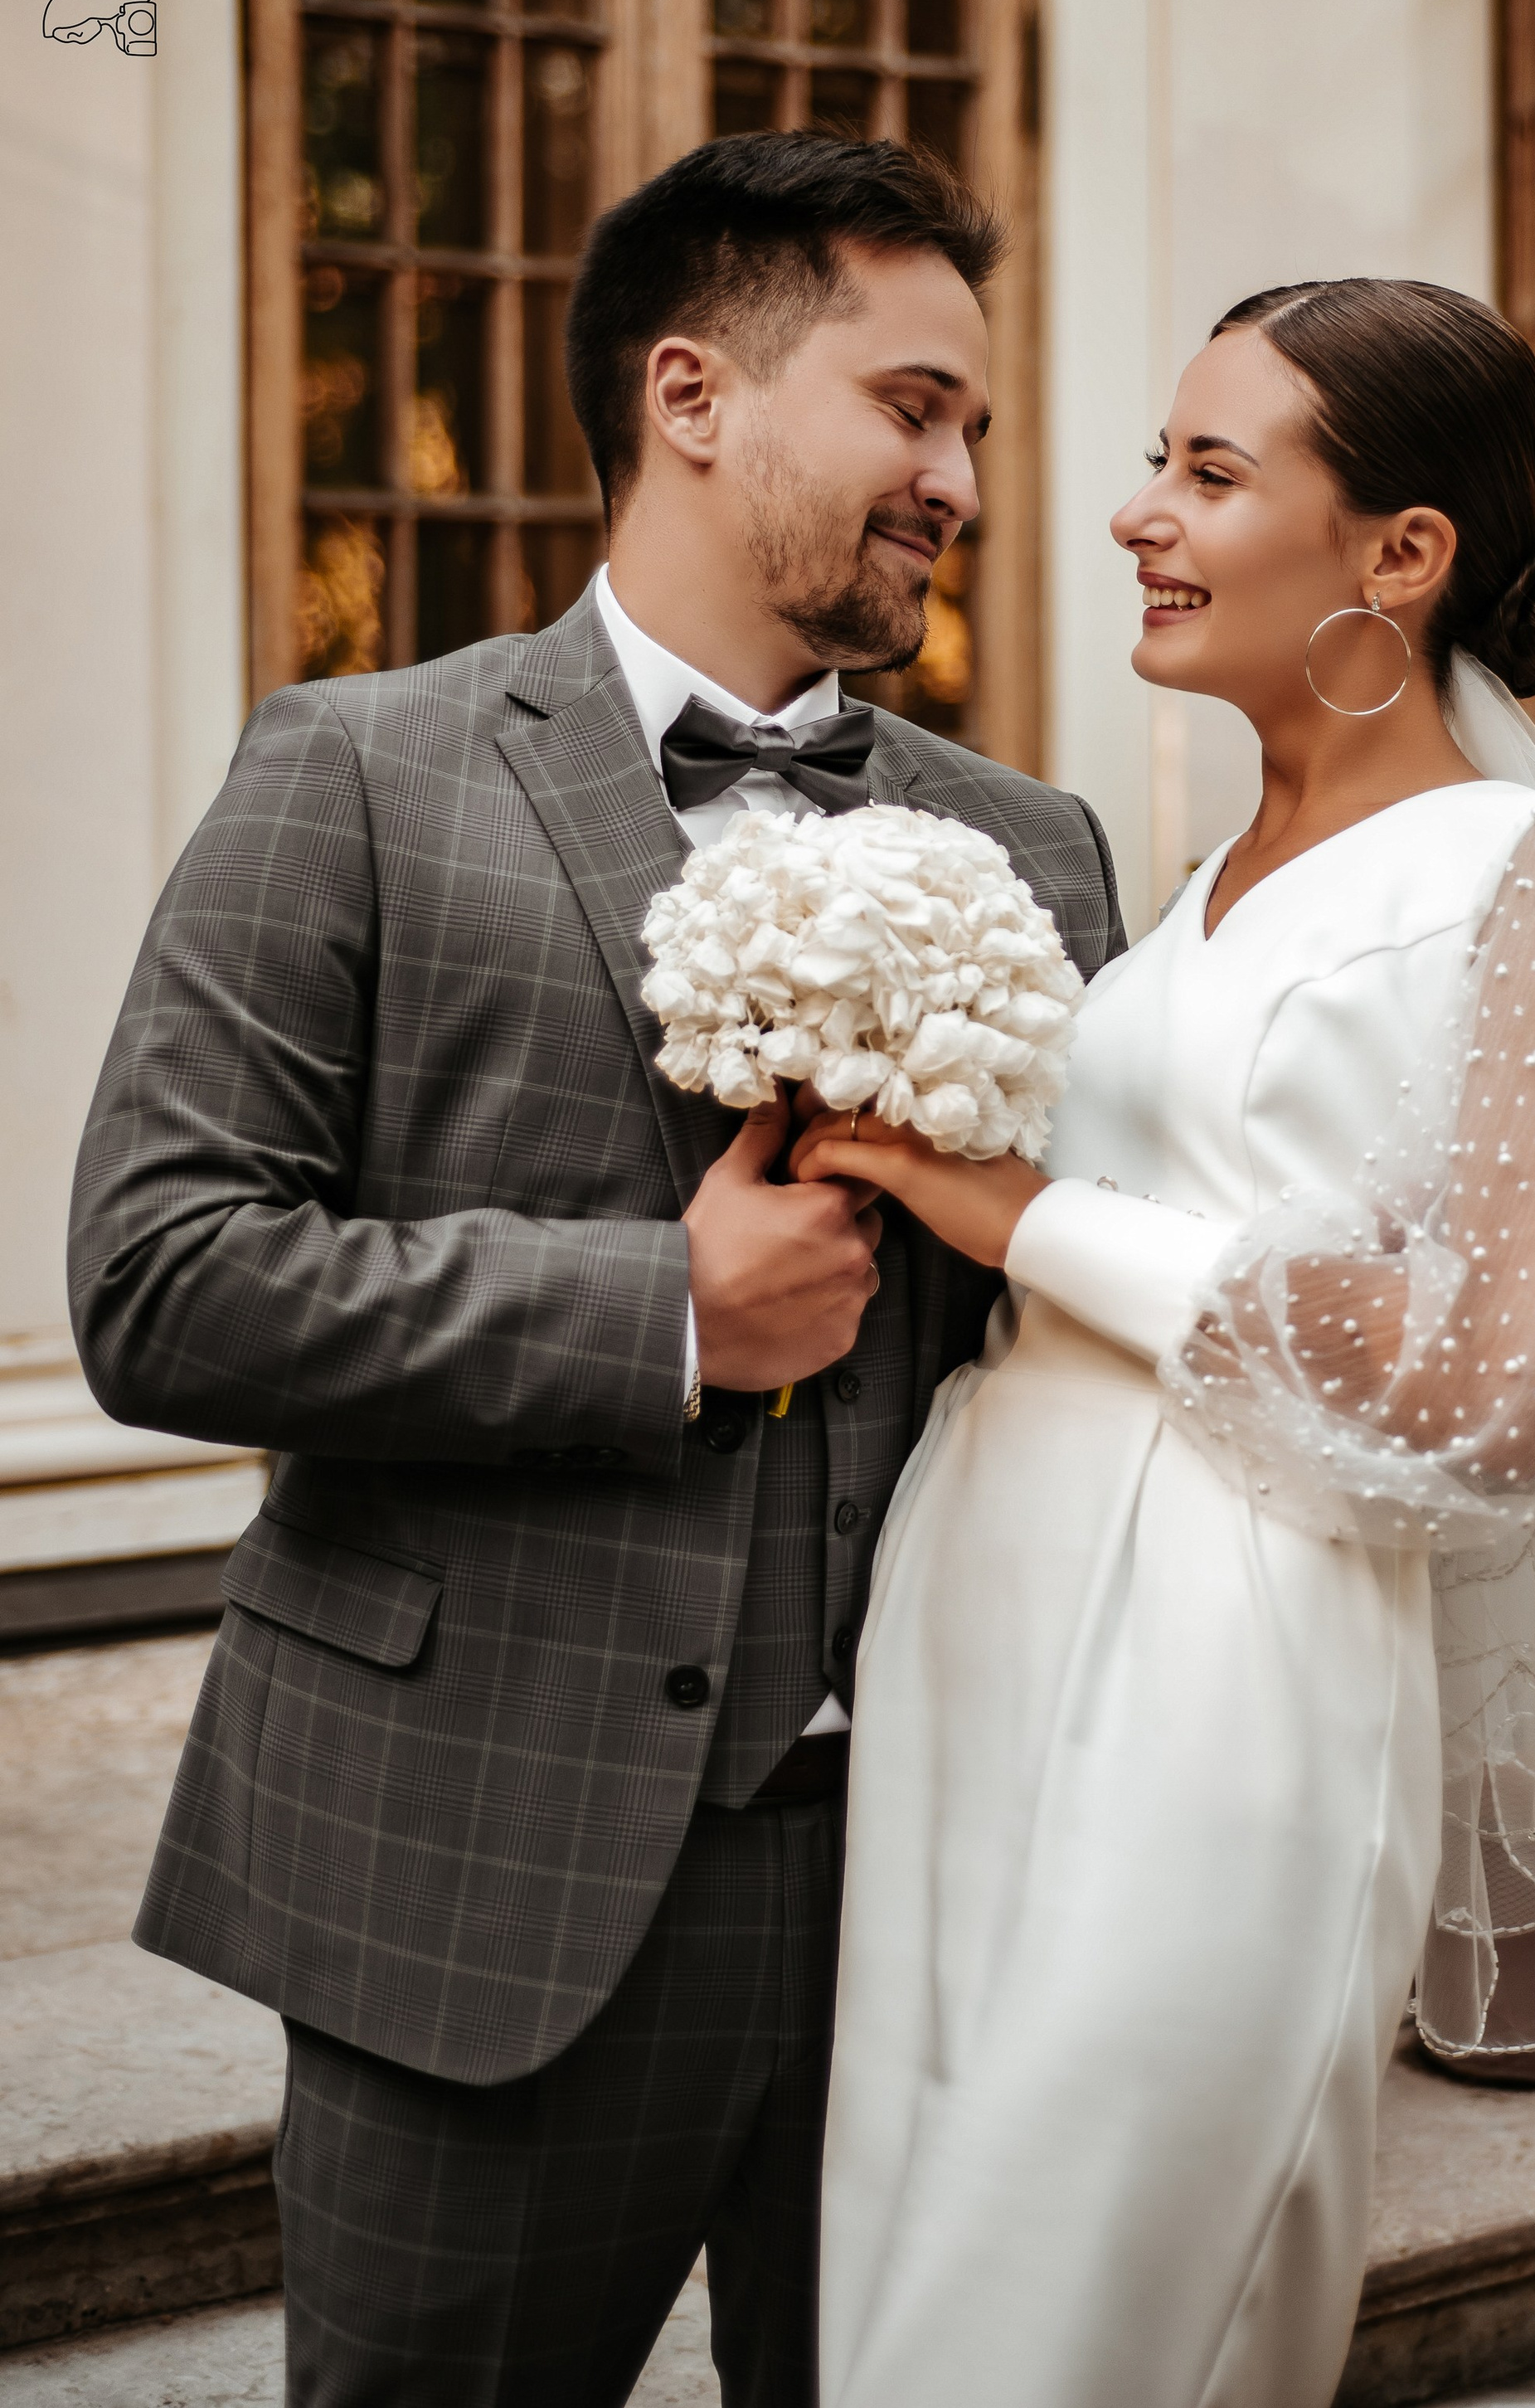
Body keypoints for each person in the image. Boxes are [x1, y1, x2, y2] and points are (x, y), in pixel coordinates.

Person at [66, 134, 1127, 2408]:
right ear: (693, 391)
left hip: (927, 1901)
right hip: (484, 1865)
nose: (960, 475)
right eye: (916, 405)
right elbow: (162, 1278)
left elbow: (1082, 1349)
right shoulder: (350, 770)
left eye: (975, 429)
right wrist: (655, 1305)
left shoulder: (1030, 844)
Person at [793, 278, 1535, 2408]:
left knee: (1065, 2316)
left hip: (1233, 1646)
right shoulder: (1188, 879)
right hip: (973, 1607)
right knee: (900, 2269)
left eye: (1207, 469)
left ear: (1399, 553)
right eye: (1158, 462)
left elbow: (1501, 1381)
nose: (1133, 514)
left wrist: (1017, 1209)